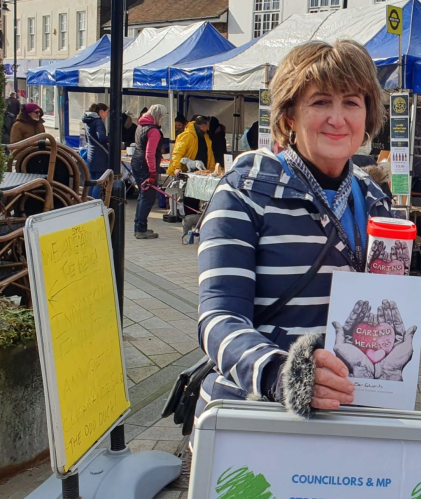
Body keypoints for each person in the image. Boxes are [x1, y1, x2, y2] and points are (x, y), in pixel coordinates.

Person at [195, 39, 397, 423]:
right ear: (289, 116)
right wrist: (281, 374)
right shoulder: (245, 190)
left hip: (348, 415)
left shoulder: (374, 200)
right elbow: (218, 320)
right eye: (320, 102)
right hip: (254, 416)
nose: (337, 118)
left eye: (352, 102)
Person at [131, 105, 167, 240]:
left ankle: (139, 226)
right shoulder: (154, 131)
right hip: (145, 166)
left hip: (136, 162)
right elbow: (150, 154)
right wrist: (152, 173)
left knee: (142, 195)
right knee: (148, 197)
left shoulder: (140, 126)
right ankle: (141, 228)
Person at [82, 103, 111, 200]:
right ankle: (94, 203)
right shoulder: (98, 122)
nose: (106, 116)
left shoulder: (88, 121)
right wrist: (110, 139)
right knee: (99, 182)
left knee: (92, 181)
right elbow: (102, 137)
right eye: (106, 113)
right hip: (100, 156)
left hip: (91, 154)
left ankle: (87, 201)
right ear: (101, 112)